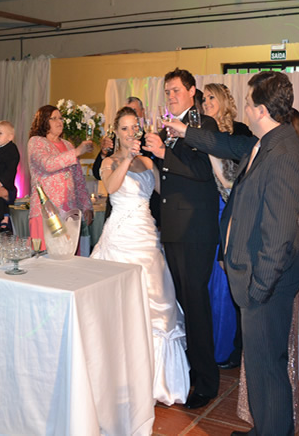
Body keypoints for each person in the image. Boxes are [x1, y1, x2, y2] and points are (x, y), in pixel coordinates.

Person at [165, 71, 299, 435]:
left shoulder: (283, 153)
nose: (243, 108)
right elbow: (224, 145)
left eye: (247, 102)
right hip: (258, 278)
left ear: (261, 110)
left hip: (266, 282)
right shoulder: (266, 141)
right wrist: (184, 131)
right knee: (259, 368)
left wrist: (258, 288)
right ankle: (265, 429)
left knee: (268, 369)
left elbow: (278, 232)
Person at [90, 106, 189, 405]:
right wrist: (126, 158)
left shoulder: (147, 161)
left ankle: (157, 380)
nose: (131, 132)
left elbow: (164, 190)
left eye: (135, 127)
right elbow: (111, 187)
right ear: (116, 132)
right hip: (119, 238)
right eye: (125, 128)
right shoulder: (109, 161)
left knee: (157, 301)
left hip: (146, 235)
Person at [143, 68, 220, 409]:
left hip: (195, 229)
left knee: (196, 304)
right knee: (182, 304)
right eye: (167, 91)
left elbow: (203, 171)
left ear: (192, 91)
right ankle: (188, 369)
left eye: (176, 90)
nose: (171, 96)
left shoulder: (204, 125)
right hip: (172, 228)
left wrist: (164, 154)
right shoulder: (167, 129)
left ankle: (207, 381)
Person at [200, 83, 252, 368]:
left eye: (211, 97)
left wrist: (209, 148)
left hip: (228, 214)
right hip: (203, 215)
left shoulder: (239, 133)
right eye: (204, 98)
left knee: (223, 285)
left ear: (223, 100)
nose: (206, 102)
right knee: (207, 285)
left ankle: (225, 350)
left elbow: (235, 183)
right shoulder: (199, 132)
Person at [27, 105, 93, 243]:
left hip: (70, 210)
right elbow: (47, 164)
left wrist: (87, 206)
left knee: (68, 252)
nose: (59, 122)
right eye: (54, 118)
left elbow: (78, 180)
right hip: (45, 211)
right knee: (46, 254)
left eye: (61, 118)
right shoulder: (36, 142)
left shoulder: (68, 145)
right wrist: (77, 152)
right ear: (43, 121)